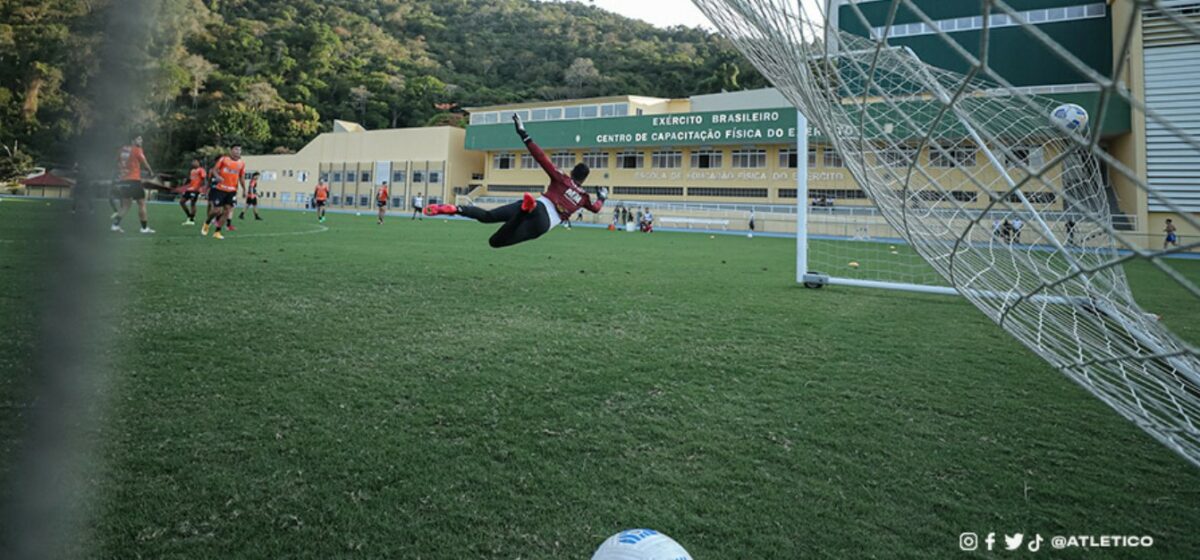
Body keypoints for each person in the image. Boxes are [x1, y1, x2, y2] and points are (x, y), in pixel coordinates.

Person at [423, 115, 607, 248]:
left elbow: (542, 158)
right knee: (495, 242)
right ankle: (523, 211)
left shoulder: (562, 178)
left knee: (488, 217)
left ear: (572, 171)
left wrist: (524, 134)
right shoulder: (584, 197)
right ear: (584, 179)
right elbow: (597, 208)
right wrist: (603, 197)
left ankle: (455, 209)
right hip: (545, 222)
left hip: (540, 205)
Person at [110, 135, 156, 234]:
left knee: (126, 206)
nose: (141, 141)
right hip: (134, 181)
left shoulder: (122, 150)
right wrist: (150, 172)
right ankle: (144, 228)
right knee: (142, 204)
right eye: (139, 139)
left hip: (123, 181)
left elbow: (115, 162)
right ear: (132, 140)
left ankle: (115, 225)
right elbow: (144, 162)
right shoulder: (137, 150)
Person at [201, 145, 246, 240]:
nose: (238, 151)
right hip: (220, 189)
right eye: (236, 149)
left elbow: (241, 177)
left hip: (232, 190)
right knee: (217, 211)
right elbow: (214, 170)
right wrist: (217, 176)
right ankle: (207, 222)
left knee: (227, 211)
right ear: (231, 150)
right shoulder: (224, 159)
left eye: (239, 150)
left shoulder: (241, 163)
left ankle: (217, 232)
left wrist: (244, 189)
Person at [179, 159, 206, 225]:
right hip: (189, 189)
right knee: (182, 202)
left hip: (195, 189)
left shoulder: (201, 170)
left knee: (192, 203)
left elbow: (203, 179)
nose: (194, 163)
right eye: (193, 162)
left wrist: (199, 188)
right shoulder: (192, 171)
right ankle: (189, 215)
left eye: (195, 162)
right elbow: (191, 180)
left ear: (198, 163)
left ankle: (191, 220)